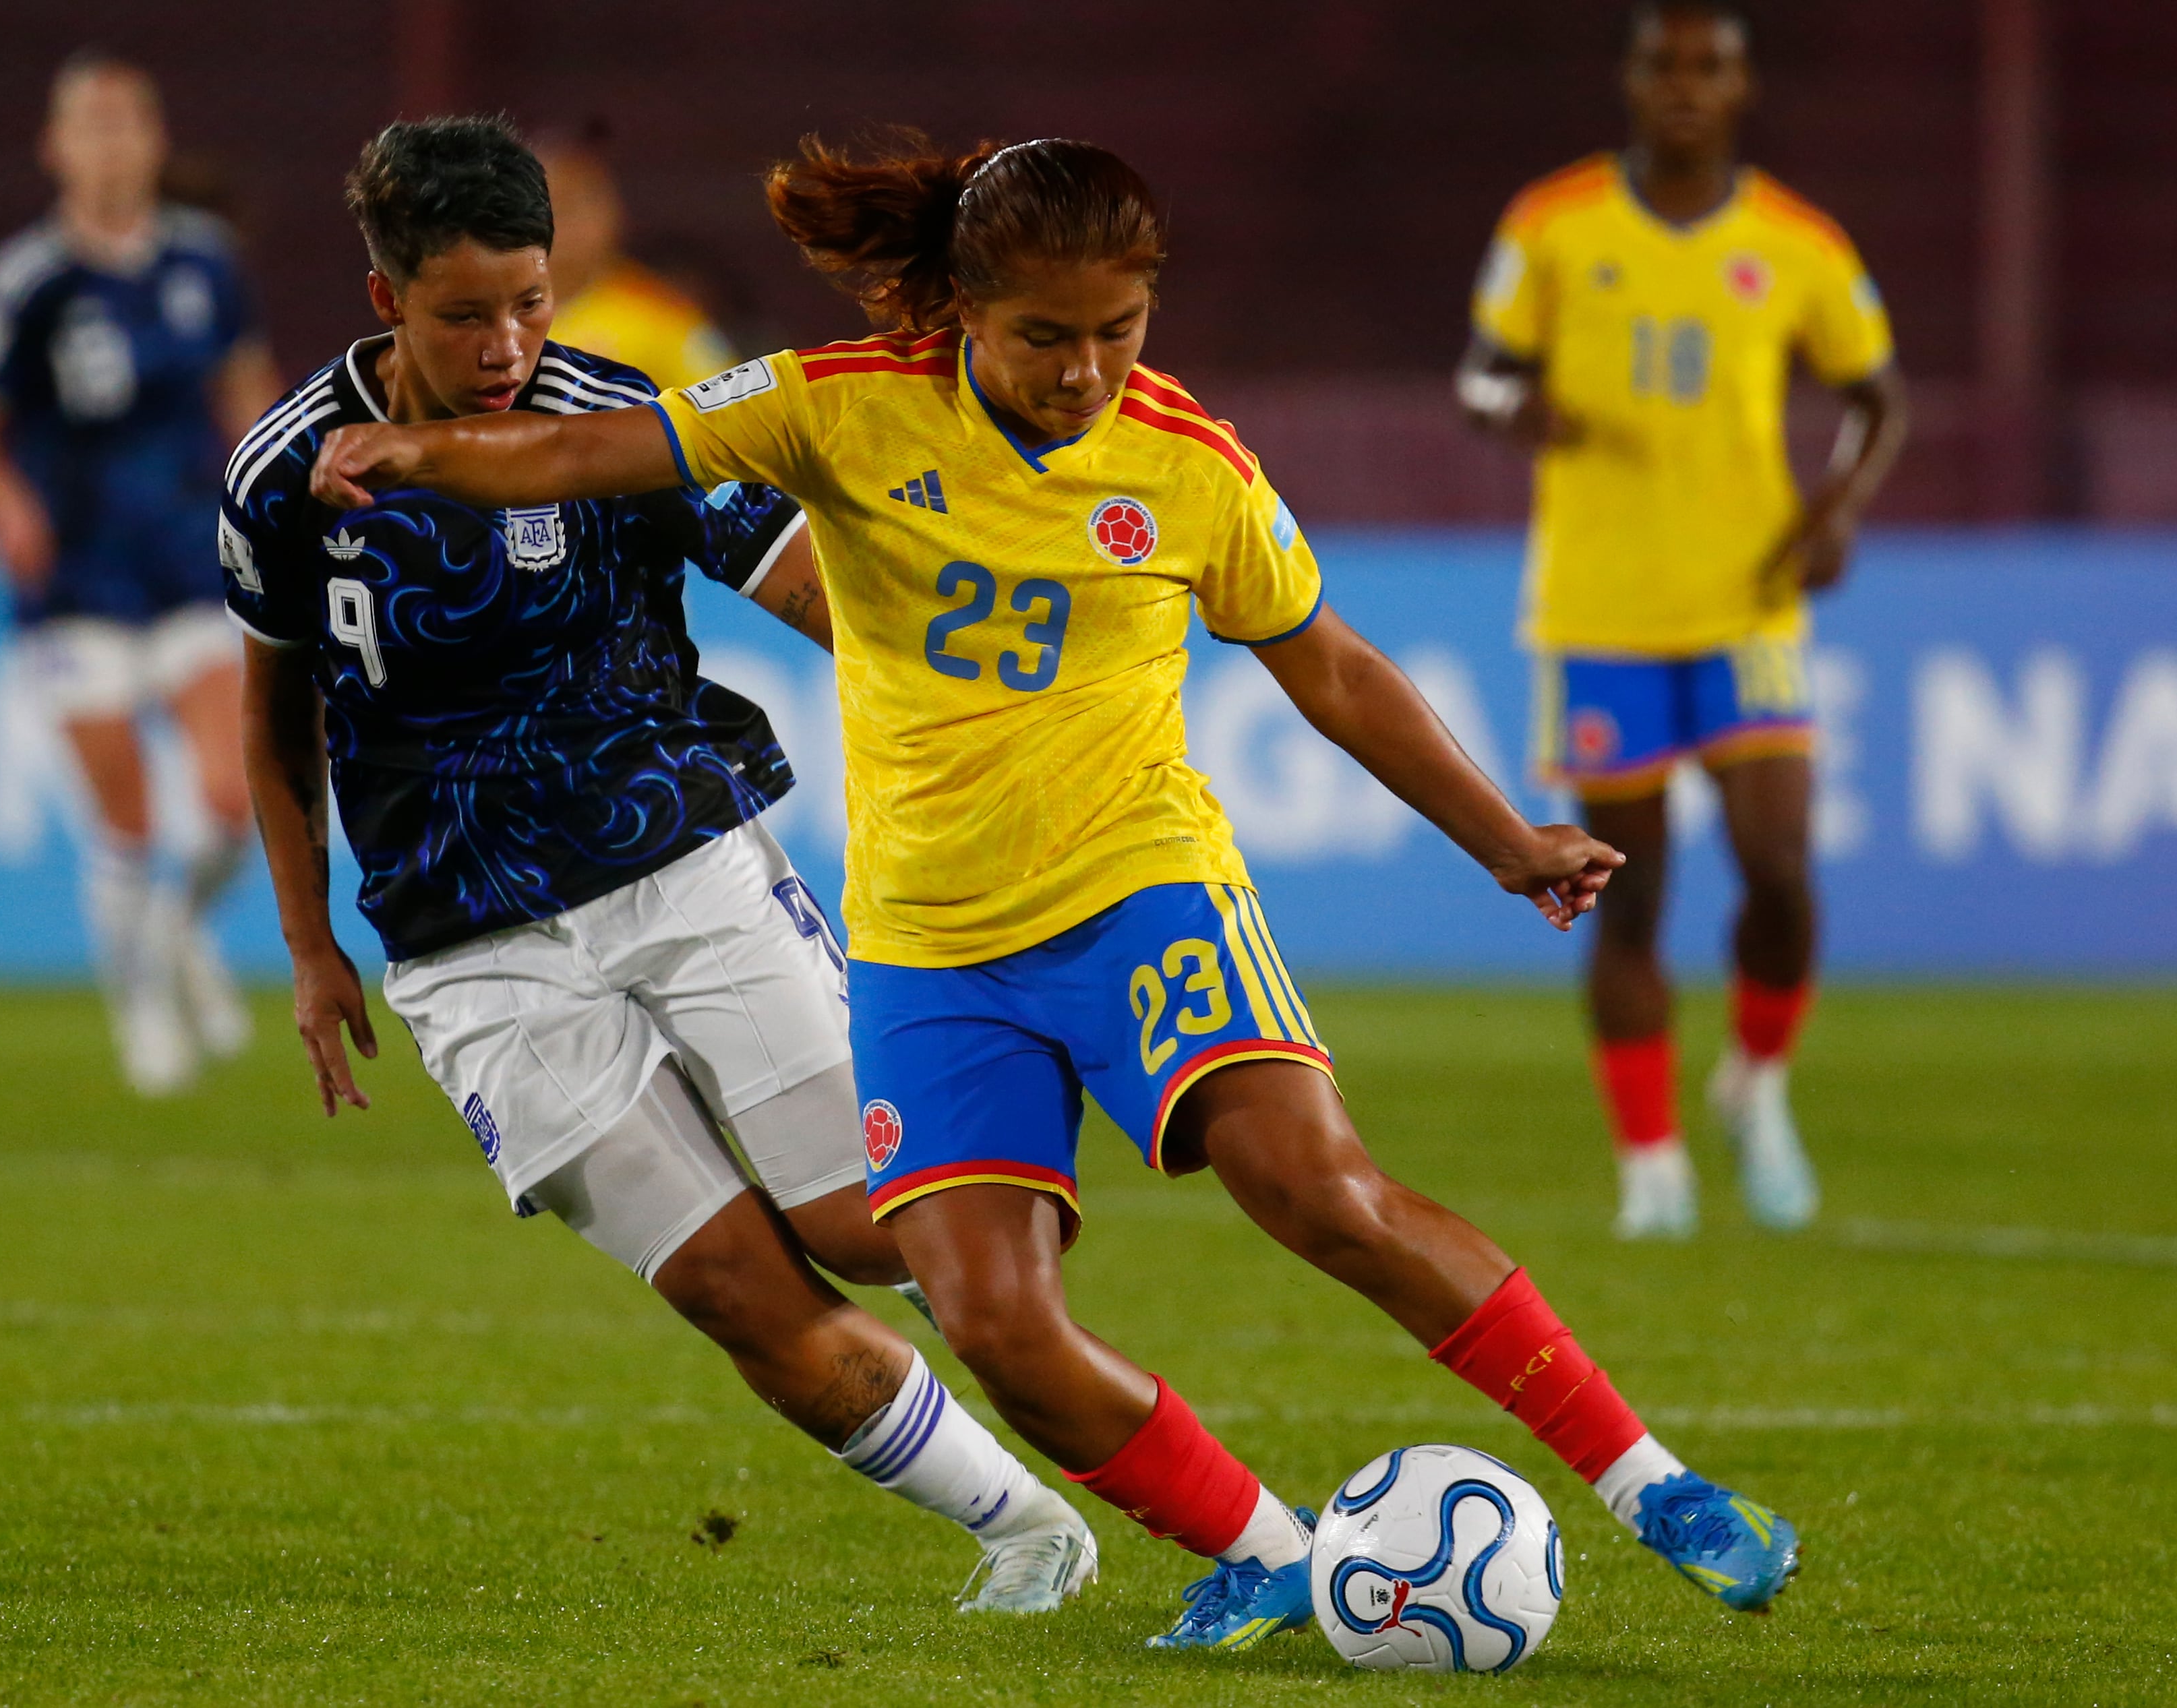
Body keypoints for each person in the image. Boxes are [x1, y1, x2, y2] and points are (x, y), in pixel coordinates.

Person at [305, 130, 1810, 1649]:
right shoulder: (833, 405)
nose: (1084, 370)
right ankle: (1263, 1554)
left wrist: (1505, 838)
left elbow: (1334, 665)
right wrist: (416, 449)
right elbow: (580, 454)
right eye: (1044, 336)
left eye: (1118, 331)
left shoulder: (1187, 464)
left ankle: (1649, 1482)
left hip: (1137, 890)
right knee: (996, 1325)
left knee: (1317, 1190)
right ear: (960, 308)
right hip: (928, 952)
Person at [228, 115, 1097, 1616]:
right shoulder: (283, 475)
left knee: (868, 1227)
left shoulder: (620, 422)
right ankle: (1029, 1528)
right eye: (463, 314)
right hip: (465, 938)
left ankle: (1032, 1127)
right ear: (385, 303)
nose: (505, 344)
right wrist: (312, 948)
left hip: (680, 863)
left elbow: (812, 585)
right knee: (729, 1288)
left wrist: (979, 709)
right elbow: (274, 718)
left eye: (529, 300)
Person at [1456, 0, 1908, 1239]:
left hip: (1747, 603)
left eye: (1710, 65)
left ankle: (1755, 1083)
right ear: (1632, 77)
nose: (1686, 86)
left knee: (1778, 872)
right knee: (1634, 893)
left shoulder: (1797, 242)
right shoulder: (1552, 224)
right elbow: (1481, 369)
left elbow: (1877, 395)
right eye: (1665, 63)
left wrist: (1835, 510)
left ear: (1742, 83)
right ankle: (1650, 1167)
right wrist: (1514, 410)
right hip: (1601, 610)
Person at [0, 50, 285, 1094]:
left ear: (157, 141)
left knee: (231, 796)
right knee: (123, 815)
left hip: (183, 562)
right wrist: (6, 501)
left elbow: (247, 396)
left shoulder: (206, 263)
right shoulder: (29, 279)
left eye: (130, 122)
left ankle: (180, 930)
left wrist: (270, 499)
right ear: (55, 148)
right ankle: (139, 1005)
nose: (113, 143)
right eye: (92, 124)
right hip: (75, 579)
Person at [534, 135, 739, 388]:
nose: (554, 224)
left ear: (610, 215)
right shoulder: (492, 318)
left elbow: (726, 408)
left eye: (568, 208)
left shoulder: (659, 318)